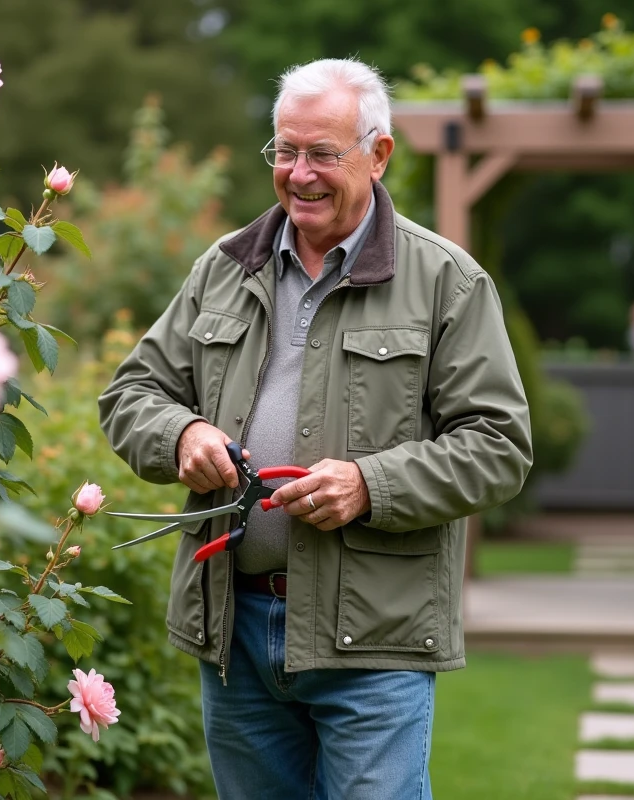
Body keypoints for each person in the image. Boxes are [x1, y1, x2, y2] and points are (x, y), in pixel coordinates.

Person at [98, 57, 533, 800]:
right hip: (236, 627)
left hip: (373, 641)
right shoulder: (224, 268)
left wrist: (369, 484)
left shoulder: (446, 282)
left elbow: (498, 444)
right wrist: (182, 436)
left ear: (378, 154)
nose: (299, 174)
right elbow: (132, 394)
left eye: (322, 153)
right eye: (285, 150)